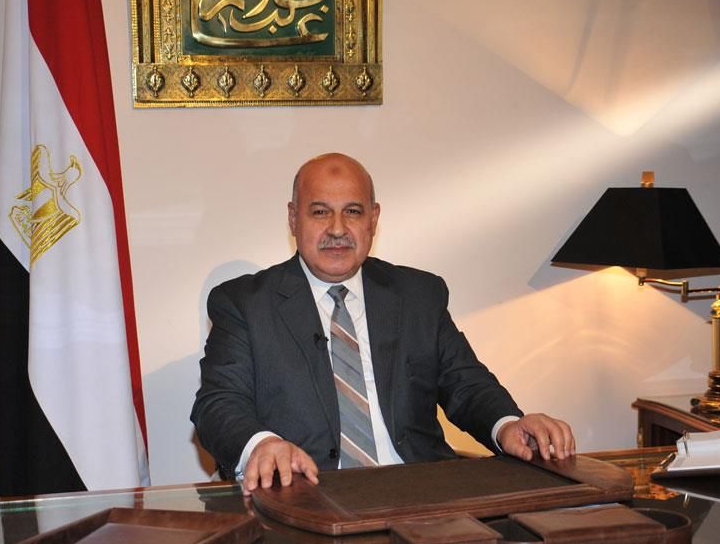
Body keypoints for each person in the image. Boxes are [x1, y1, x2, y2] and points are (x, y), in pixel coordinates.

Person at [191, 153, 575, 495]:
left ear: (373, 220)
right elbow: (218, 404)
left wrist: (508, 424)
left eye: (353, 212)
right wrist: (261, 445)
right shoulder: (245, 304)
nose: (337, 229)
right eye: (320, 212)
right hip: (307, 499)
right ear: (294, 218)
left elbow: (467, 384)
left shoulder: (417, 295)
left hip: (422, 496)